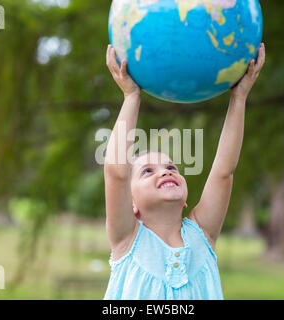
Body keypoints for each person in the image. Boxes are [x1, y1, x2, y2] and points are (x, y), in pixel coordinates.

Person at [103, 43, 265, 299]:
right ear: (130, 203)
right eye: (147, 171)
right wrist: (131, 96)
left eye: (171, 167)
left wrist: (239, 97)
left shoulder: (203, 235)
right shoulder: (127, 240)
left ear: (185, 199)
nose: (165, 172)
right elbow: (116, 171)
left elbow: (223, 170)